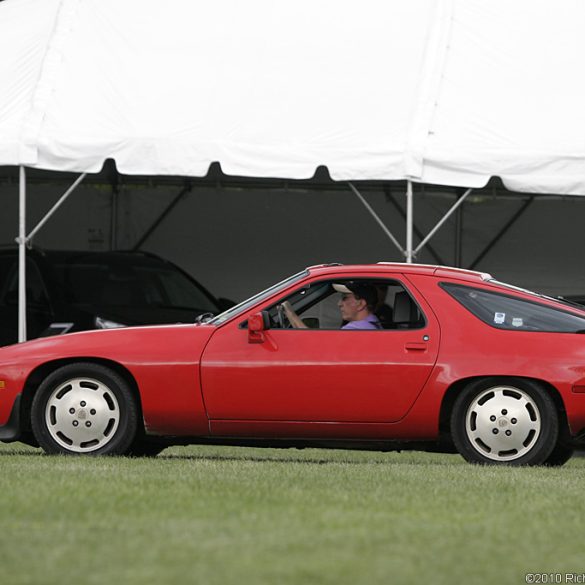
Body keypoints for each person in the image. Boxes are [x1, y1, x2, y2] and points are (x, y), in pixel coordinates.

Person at [281, 282, 381, 330]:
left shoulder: (355, 330)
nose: (339, 304)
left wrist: (290, 314)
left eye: (345, 298)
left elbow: (313, 344)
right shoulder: (373, 325)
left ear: (361, 304)